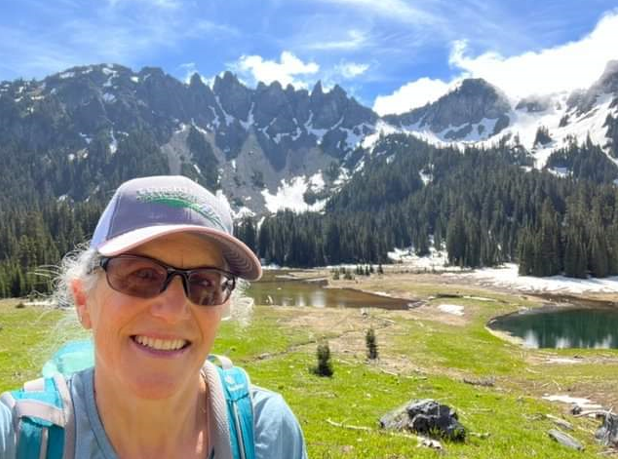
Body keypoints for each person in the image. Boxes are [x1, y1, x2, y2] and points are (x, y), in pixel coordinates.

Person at [0, 175, 307, 459]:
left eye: (204, 283)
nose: (172, 312)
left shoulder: (267, 432)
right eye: (142, 275)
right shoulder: (16, 435)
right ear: (83, 301)